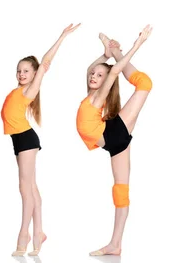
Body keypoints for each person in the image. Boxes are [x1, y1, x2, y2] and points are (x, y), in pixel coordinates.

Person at [1, 23, 80, 257]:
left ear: (34, 74)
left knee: (24, 188)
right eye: (19, 71)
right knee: (31, 187)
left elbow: (45, 63)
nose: (21, 74)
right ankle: (39, 233)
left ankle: (23, 235)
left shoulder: (30, 90)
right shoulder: (17, 90)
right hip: (20, 140)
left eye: (26, 71)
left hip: (26, 140)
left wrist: (62, 36)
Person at [76, 25, 153, 256]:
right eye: (93, 75)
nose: (93, 76)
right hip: (113, 141)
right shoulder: (90, 93)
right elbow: (91, 67)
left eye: (99, 75)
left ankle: (115, 244)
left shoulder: (100, 95)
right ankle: (115, 244)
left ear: (104, 81)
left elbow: (115, 71)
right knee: (121, 191)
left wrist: (134, 46)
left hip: (113, 134)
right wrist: (105, 54)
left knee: (145, 84)